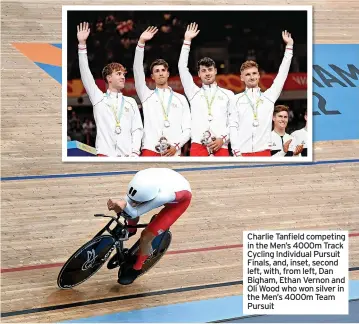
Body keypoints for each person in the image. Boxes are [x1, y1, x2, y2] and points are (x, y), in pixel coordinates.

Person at [107, 168, 192, 284]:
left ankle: (137, 268)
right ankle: (131, 230)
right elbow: (130, 200)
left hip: (178, 202)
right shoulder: (140, 178)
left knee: (147, 236)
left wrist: (123, 204)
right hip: (166, 183)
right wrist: (120, 204)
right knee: (130, 205)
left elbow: (135, 212)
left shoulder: (163, 196)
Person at [77, 22, 143, 157]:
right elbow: (86, 75)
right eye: (118, 74)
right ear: (109, 78)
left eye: (124, 74)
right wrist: (82, 45)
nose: (123, 77)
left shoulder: (131, 102)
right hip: (105, 155)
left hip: (128, 157)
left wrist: (135, 152)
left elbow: (137, 129)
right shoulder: (99, 99)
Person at [229, 30, 294, 157]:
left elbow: (282, 75)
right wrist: (236, 151)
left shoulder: (269, 97)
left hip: (264, 152)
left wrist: (289, 48)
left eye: (254, 73)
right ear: (242, 78)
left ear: (259, 75)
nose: (251, 77)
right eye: (247, 74)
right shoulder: (235, 100)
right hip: (242, 153)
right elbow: (233, 126)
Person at [178, 23, 234, 156]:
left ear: (215, 71)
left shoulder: (228, 95)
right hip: (198, 146)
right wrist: (187, 41)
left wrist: (223, 139)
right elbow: (182, 67)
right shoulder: (193, 92)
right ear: (199, 74)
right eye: (203, 70)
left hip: (221, 145)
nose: (207, 73)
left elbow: (234, 122)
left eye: (210, 70)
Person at [133, 26, 191, 157]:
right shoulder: (146, 95)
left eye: (163, 70)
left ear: (168, 73)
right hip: (150, 149)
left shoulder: (180, 99)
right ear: (152, 76)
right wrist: (141, 43)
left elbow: (188, 128)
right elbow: (137, 71)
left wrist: (177, 146)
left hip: (174, 151)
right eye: (156, 71)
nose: (160, 74)